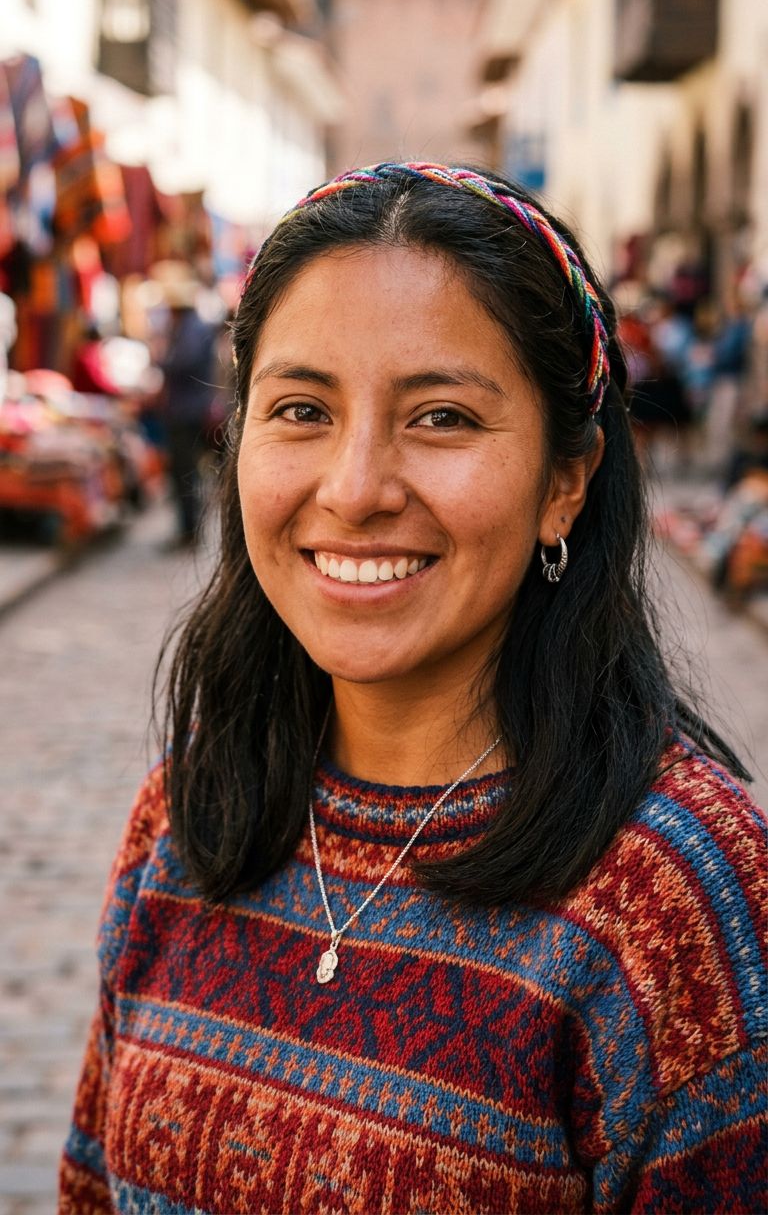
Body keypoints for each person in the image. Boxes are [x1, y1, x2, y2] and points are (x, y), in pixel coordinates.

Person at [59, 163, 766, 1215]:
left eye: (440, 417)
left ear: (564, 480)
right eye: (302, 408)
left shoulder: (676, 900)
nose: (354, 490)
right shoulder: (190, 808)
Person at [155, 263, 217, 547]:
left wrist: (162, 359)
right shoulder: (189, 326)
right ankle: (188, 528)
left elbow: (184, 362)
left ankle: (190, 529)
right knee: (185, 473)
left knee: (186, 473)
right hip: (186, 409)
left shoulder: (191, 328)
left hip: (187, 411)